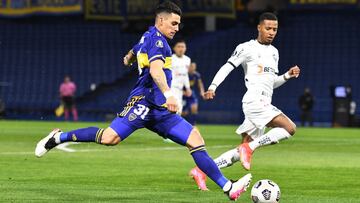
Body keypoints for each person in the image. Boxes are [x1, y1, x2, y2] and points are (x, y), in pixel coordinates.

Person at [35, 1, 251, 201]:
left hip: (159, 110)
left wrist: (129, 56)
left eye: (178, 24)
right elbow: (156, 70)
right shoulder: (159, 41)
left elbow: (137, 48)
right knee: (109, 138)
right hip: (143, 103)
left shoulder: (148, 35)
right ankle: (58, 137)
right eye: (173, 23)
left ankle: (228, 188)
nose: (176, 28)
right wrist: (169, 94)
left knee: (195, 140)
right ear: (161, 20)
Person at [190, 12, 300, 190]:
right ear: (259, 28)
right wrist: (212, 86)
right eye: (268, 28)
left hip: (263, 101)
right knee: (289, 128)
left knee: (240, 149)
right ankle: (250, 148)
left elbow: (272, 84)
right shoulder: (246, 48)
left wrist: (287, 76)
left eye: (275, 29)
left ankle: (200, 171)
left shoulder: (274, 53)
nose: (272, 32)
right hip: (254, 102)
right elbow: (227, 67)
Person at [171, 39, 192, 115]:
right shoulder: (170, 59)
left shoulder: (187, 60)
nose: (181, 49)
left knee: (178, 111)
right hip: (171, 88)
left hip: (180, 90)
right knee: (174, 110)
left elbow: (185, 75)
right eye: (179, 47)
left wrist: (188, 88)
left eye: (183, 47)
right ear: (174, 48)